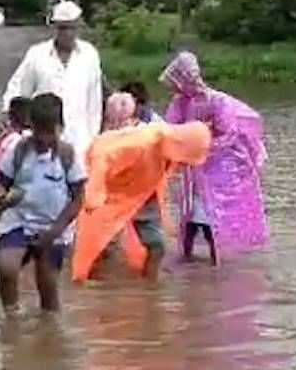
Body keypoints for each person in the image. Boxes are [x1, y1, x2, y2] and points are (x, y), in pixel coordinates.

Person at [72, 93, 210, 282]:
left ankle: (149, 285)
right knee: (102, 243)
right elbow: (101, 155)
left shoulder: (168, 145)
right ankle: (96, 284)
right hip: (112, 188)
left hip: (143, 194)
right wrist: (95, 193)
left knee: (157, 246)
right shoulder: (142, 141)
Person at [161, 52, 269, 264]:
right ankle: (187, 257)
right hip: (193, 168)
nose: (174, 88)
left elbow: (227, 133)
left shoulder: (217, 101)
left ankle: (217, 260)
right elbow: (170, 127)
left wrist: (203, 145)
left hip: (219, 168)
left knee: (212, 215)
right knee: (190, 212)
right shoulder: (180, 102)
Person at [0, 93, 86, 314]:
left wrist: (55, 231)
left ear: (60, 127)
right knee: (6, 267)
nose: (43, 138)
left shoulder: (67, 156)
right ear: (30, 125)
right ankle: (11, 315)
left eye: (49, 131)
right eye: (38, 131)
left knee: (48, 288)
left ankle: (49, 331)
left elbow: (78, 198)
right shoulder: (20, 151)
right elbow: (0, 181)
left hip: (54, 228)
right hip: (19, 221)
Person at [2, 0, 103, 159]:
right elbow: (17, 92)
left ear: (79, 27)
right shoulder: (37, 55)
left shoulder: (90, 55)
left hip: (80, 143)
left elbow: (94, 103)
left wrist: (93, 138)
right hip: (41, 143)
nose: (68, 33)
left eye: (72, 27)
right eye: (63, 28)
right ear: (54, 27)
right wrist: (18, 129)